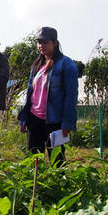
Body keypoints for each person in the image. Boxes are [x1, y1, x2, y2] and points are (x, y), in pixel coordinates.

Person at [18, 26, 79, 166]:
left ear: (55, 43)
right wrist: (24, 117)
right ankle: (36, 187)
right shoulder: (37, 65)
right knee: (34, 158)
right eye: (39, 42)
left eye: (45, 42)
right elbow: (30, 93)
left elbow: (71, 96)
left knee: (57, 160)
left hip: (55, 121)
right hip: (34, 118)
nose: (41, 45)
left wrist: (67, 122)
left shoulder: (67, 65)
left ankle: (57, 187)